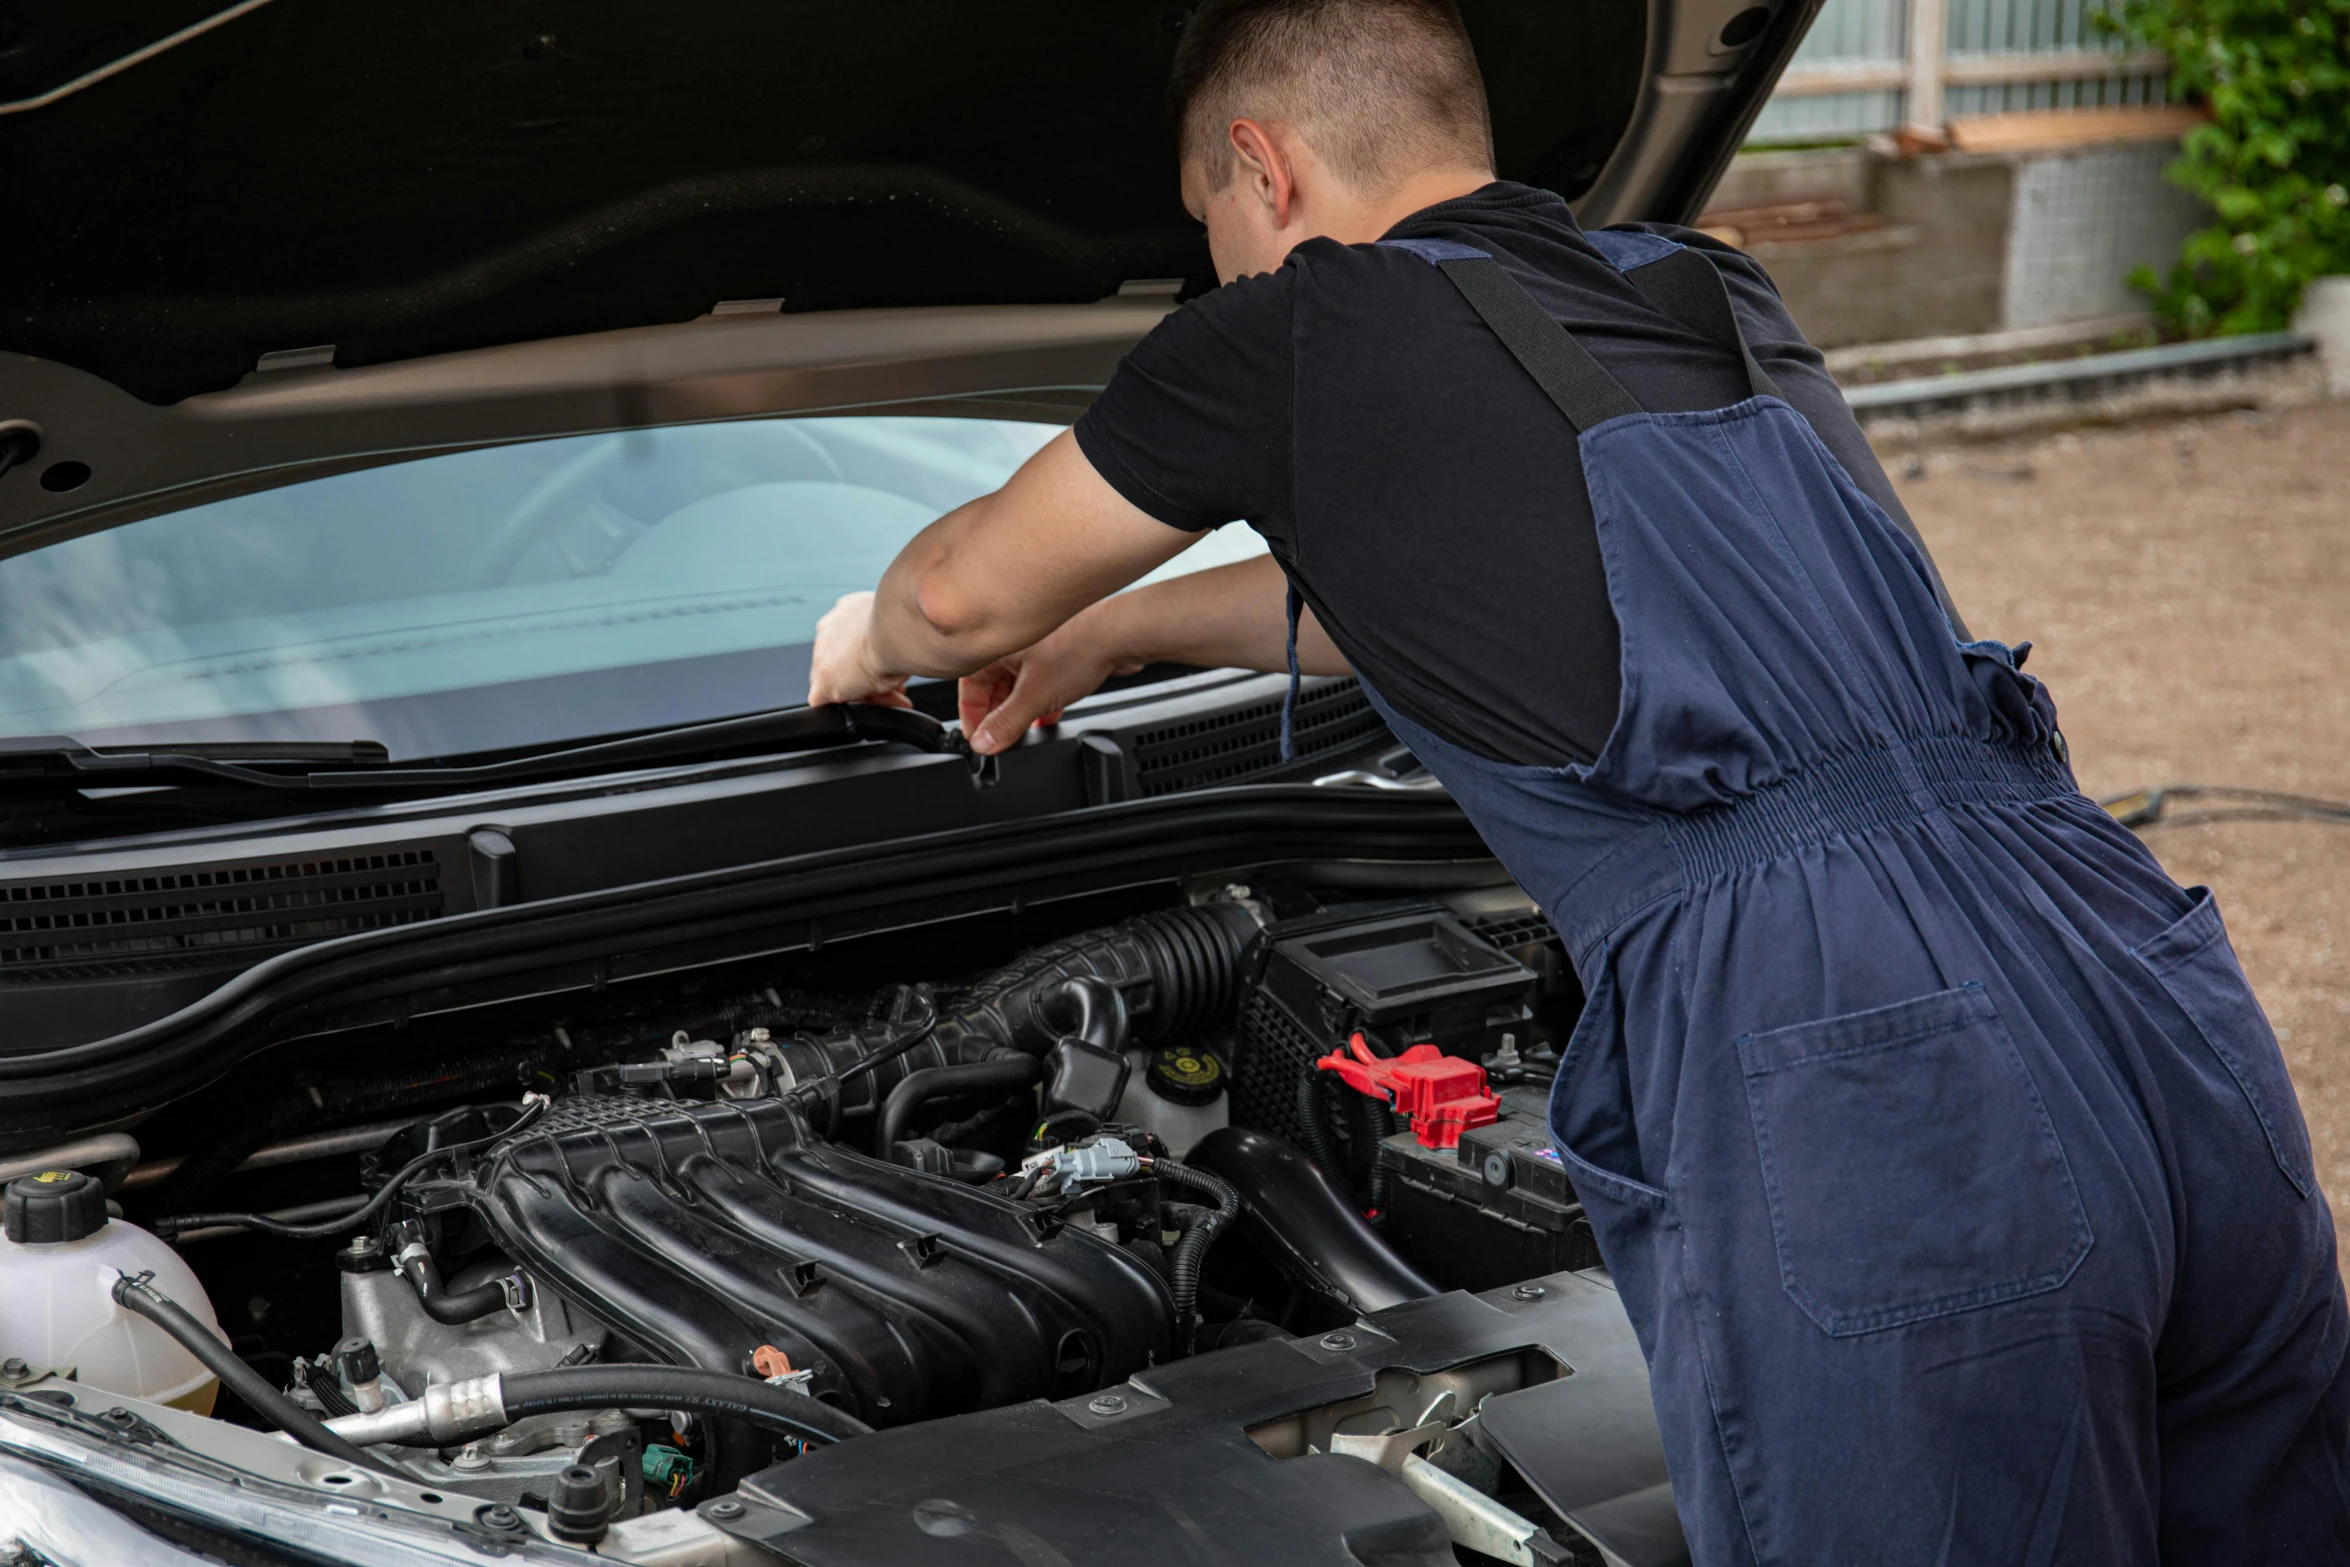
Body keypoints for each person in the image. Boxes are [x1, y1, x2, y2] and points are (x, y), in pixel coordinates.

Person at [806, 0, 2350, 1558]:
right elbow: (1470, 594)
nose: (1218, 257)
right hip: (2120, 952)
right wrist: (1121, 633)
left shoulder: (1290, 327)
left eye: (1210, 220)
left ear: (1258, 168)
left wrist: (861, 634)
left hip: (1852, 1044)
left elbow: (954, 598)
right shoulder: (1699, 284)